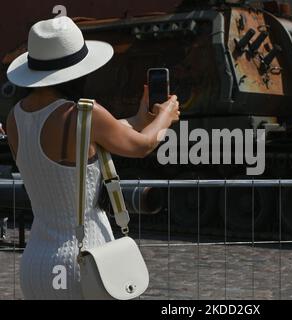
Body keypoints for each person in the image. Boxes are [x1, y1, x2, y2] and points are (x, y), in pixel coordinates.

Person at [5, 16, 179, 299]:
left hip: (36, 263)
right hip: (83, 262)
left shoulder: (15, 117)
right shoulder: (84, 114)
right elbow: (144, 145)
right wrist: (165, 117)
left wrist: (141, 116)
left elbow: (103, 135)